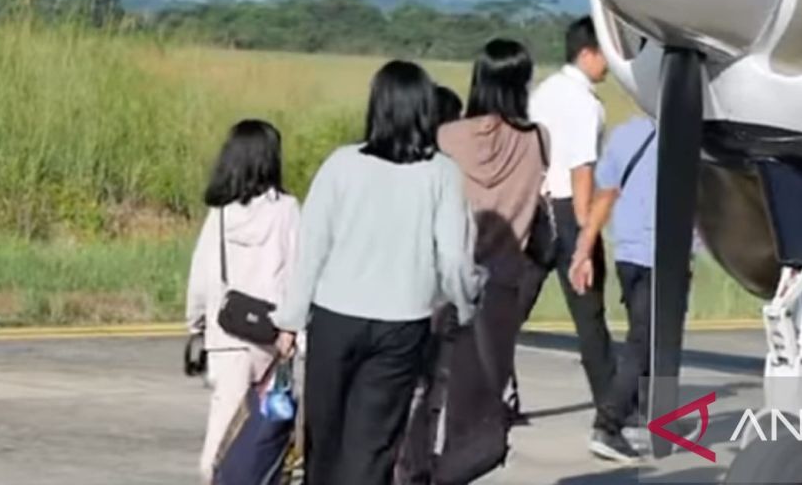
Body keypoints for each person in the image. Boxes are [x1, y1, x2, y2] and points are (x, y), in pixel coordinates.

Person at [272, 60, 484, 485]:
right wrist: (464, 304)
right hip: (402, 325)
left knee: (325, 439)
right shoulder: (441, 173)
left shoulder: (341, 164)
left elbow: (311, 249)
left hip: (334, 318)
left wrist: (290, 320)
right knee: (373, 446)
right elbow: (454, 259)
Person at [399, 39, 550, 481]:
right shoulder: (539, 139)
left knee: (422, 388)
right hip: (500, 286)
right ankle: (453, 473)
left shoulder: (447, 137)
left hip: (440, 282)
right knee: (477, 401)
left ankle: (412, 471)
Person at [186, 119, 301, 481]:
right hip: (273, 337)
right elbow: (299, 269)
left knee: (222, 435)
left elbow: (202, 277)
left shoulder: (220, 214)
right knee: (265, 432)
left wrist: (195, 324)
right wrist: (296, 331)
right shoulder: (288, 209)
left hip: (227, 337)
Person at [527, 16, 619, 456]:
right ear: (588, 53)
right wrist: (586, 233)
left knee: (509, 310)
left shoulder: (543, 92)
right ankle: (612, 410)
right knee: (590, 317)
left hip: (535, 207)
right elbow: (583, 168)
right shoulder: (585, 102)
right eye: (607, 54)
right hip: (569, 209)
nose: (611, 65)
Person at [570, 113, 658, 462]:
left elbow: (606, 194)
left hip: (628, 253)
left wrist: (584, 247)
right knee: (644, 341)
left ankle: (649, 417)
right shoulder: (690, 138)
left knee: (650, 339)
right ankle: (608, 425)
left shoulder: (625, 134)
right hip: (660, 256)